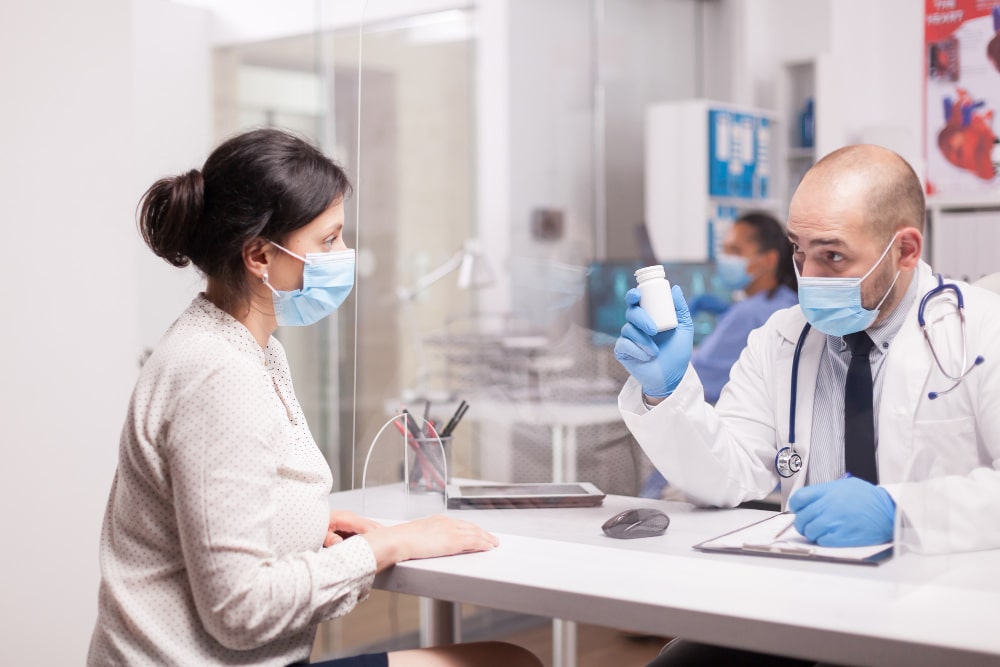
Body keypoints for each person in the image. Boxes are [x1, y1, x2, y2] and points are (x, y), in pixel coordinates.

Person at [88, 128, 542, 667]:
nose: (344, 255)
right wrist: (389, 547)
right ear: (259, 255)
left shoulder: (243, 347)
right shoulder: (217, 374)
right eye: (328, 241)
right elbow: (240, 609)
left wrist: (300, 523)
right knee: (506, 663)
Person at [614, 144, 1000, 665]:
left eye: (833, 255)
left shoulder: (982, 330)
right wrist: (665, 389)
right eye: (799, 251)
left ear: (905, 250)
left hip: (942, 609)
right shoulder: (781, 337)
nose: (808, 276)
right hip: (803, 598)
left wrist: (901, 512)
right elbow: (727, 476)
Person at [639, 213, 798, 498]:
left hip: (736, 455)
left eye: (735, 251)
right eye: (724, 250)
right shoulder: (781, 304)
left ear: (768, 260)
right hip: (771, 460)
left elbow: (695, 376)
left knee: (656, 494)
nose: (725, 259)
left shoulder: (750, 313)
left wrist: (660, 365)